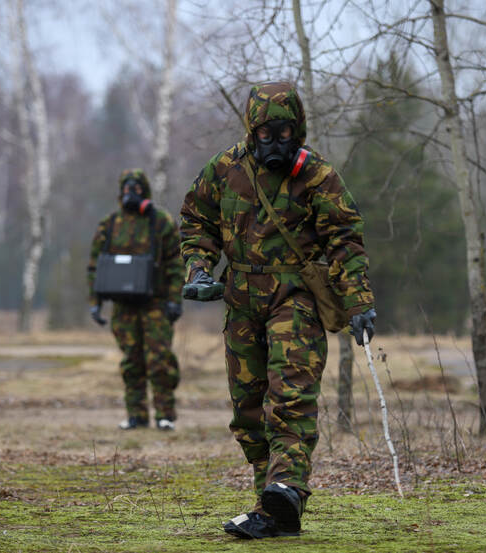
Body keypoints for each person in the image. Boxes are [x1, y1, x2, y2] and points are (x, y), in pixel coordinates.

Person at [179, 81, 376, 538]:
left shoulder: (318, 176)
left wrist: (359, 302)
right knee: (248, 409)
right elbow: (196, 220)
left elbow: (346, 240)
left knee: (289, 400)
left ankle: (286, 487)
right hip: (241, 300)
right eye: (265, 134)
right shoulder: (225, 168)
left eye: (284, 133)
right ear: (252, 131)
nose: (275, 143)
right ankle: (271, 508)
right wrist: (198, 269)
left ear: (298, 128)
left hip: (296, 299)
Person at [87, 169, 184, 431]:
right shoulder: (110, 224)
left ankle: (165, 415)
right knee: (132, 361)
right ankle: (136, 415)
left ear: (146, 190)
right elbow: (96, 265)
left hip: (156, 304)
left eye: (137, 187)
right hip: (124, 305)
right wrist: (95, 302)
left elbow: (176, 262)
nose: (132, 192)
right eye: (127, 187)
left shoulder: (160, 221)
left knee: (160, 360)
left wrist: (175, 299)